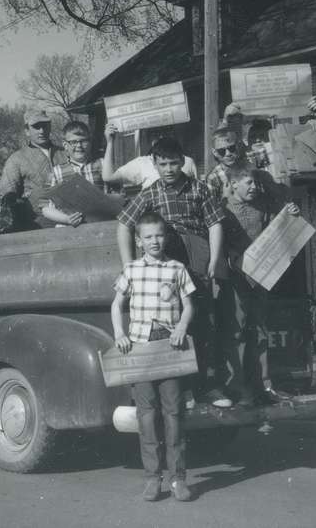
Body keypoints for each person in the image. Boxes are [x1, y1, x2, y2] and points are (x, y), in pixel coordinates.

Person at [115, 137, 231, 408]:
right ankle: (185, 390)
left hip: (198, 255)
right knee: (176, 323)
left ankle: (210, 386)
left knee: (205, 320)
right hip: (168, 260)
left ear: (183, 162)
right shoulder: (149, 193)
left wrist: (214, 259)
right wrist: (128, 265)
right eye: (163, 164)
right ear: (154, 164)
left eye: (174, 163)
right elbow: (123, 225)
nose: (169, 169)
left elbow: (214, 224)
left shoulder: (200, 189)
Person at [111, 212, 195, 502]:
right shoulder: (131, 270)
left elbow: (188, 305)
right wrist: (119, 333)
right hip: (140, 348)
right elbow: (116, 305)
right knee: (147, 416)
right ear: (139, 240)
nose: (154, 241)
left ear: (166, 237)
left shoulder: (176, 268)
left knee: (173, 414)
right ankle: (152, 478)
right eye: (148, 237)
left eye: (159, 235)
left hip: (170, 348)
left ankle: (178, 479)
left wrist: (182, 326)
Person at [221, 161, 301, 404]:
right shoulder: (223, 209)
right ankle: (238, 388)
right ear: (234, 184)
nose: (254, 187)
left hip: (260, 278)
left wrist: (291, 214)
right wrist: (230, 256)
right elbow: (217, 240)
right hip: (236, 279)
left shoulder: (263, 206)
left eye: (255, 182)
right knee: (237, 332)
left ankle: (264, 386)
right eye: (249, 183)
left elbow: (278, 229)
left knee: (261, 331)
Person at [0, 110, 66, 229]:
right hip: (36, 224)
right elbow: (7, 192)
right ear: (27, 131)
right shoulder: (16, 159)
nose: (42, 131)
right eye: (36, 127)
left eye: (45, 126)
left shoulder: (65, 153)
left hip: (70, 218)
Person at [42, 120, 106, 227]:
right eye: (73, 142)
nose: (79, 146)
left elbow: (118, 197)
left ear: (90, 142)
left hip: (100, 225)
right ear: (65, 145)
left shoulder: (102, 164)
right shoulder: (56, 172)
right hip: (68, 229)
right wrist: (67, 219)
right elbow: (46, 208)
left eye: (83, 141)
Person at [102, 122, 198, 191]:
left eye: (165, 133)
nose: (161, 138)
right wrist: (110, 142)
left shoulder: (187, 161)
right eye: (155, 134)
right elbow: (108, 177)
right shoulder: (142, 163)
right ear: (150, 140)